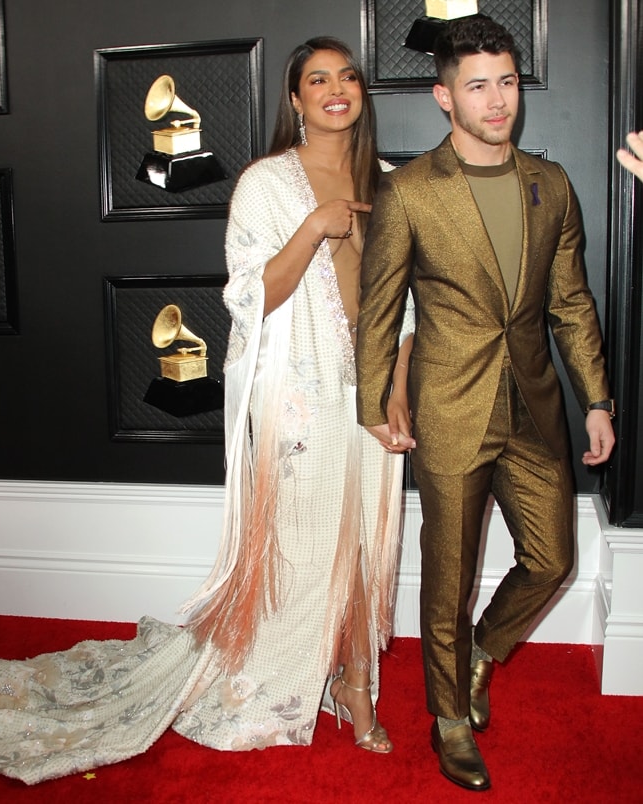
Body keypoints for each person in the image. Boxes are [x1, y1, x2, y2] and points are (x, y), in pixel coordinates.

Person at [0, 37, 415, 785]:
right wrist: (312, 228)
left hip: (367, 391)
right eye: (317, 79)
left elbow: (405, 303)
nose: (337, 89)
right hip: (297, 396)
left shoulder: (392, 183)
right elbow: (249, 298)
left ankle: (356, 685)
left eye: (348, 76)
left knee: (367, 538)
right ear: (295, 101)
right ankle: (278, 679)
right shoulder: (268, 183)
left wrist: (396, 384)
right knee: (298, 548)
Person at [355, 16, 615, 792]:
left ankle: (478, 655)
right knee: (449, 573)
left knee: (553, 560)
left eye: (506, 82)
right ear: (444, 96)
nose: (498, 100)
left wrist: (595, 399)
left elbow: (571, 301)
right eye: (478, 86)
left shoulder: (551, 183)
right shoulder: (408, 193)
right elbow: (378, 309)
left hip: (535, 406)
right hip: (449, 406)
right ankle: (449, 718)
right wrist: (375, 402)